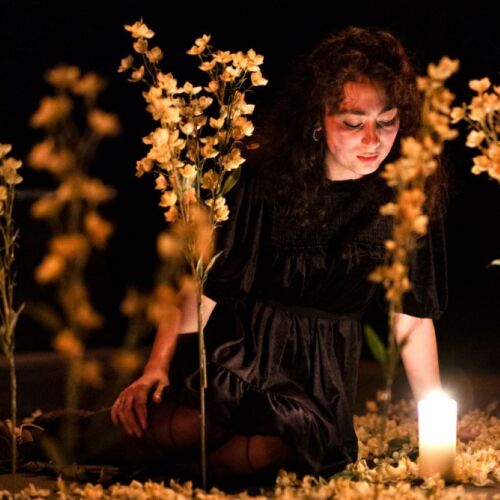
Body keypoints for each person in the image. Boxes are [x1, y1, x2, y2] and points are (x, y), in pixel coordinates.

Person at [24, 25, 448, 485]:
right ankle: (46, 437)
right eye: (352, 123)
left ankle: (125, 467)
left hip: (316, 378)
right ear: (319, 116)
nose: (372, 139)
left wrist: (436, 421)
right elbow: (203, 285)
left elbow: (412, 317)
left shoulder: (404, 195)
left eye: (387, 121)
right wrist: (156, 366)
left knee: (268, 453)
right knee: (198, 425)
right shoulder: (266, 178)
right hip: (239, 351)